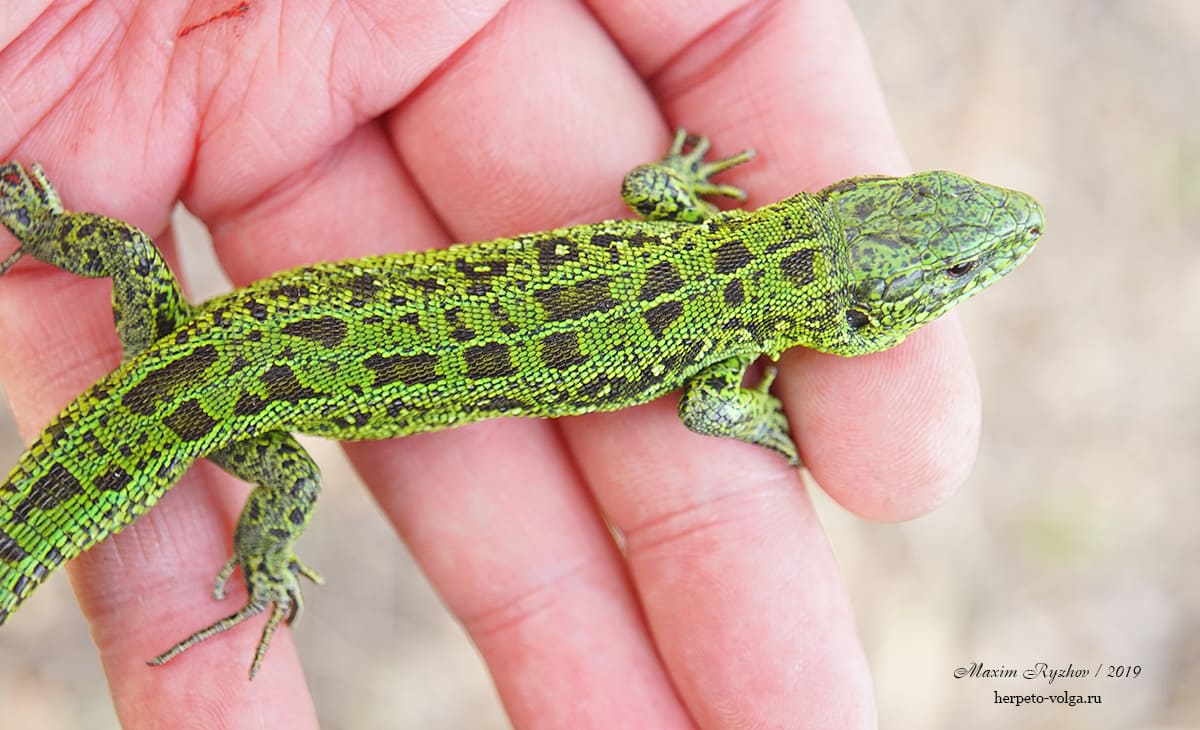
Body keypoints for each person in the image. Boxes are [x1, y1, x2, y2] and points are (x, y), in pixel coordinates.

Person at [0, 2, 981, 727]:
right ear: (850, 316)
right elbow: (711, 411)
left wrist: (683, 179)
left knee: (129, 258)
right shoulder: (722, 352)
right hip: (214, 399)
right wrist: (769, 422)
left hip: (199, 363)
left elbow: (650, 180)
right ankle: (261, 561)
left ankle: (37, 224)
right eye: (958, 268)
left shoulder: (691, 234)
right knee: (291, 471)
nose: (987, 252)